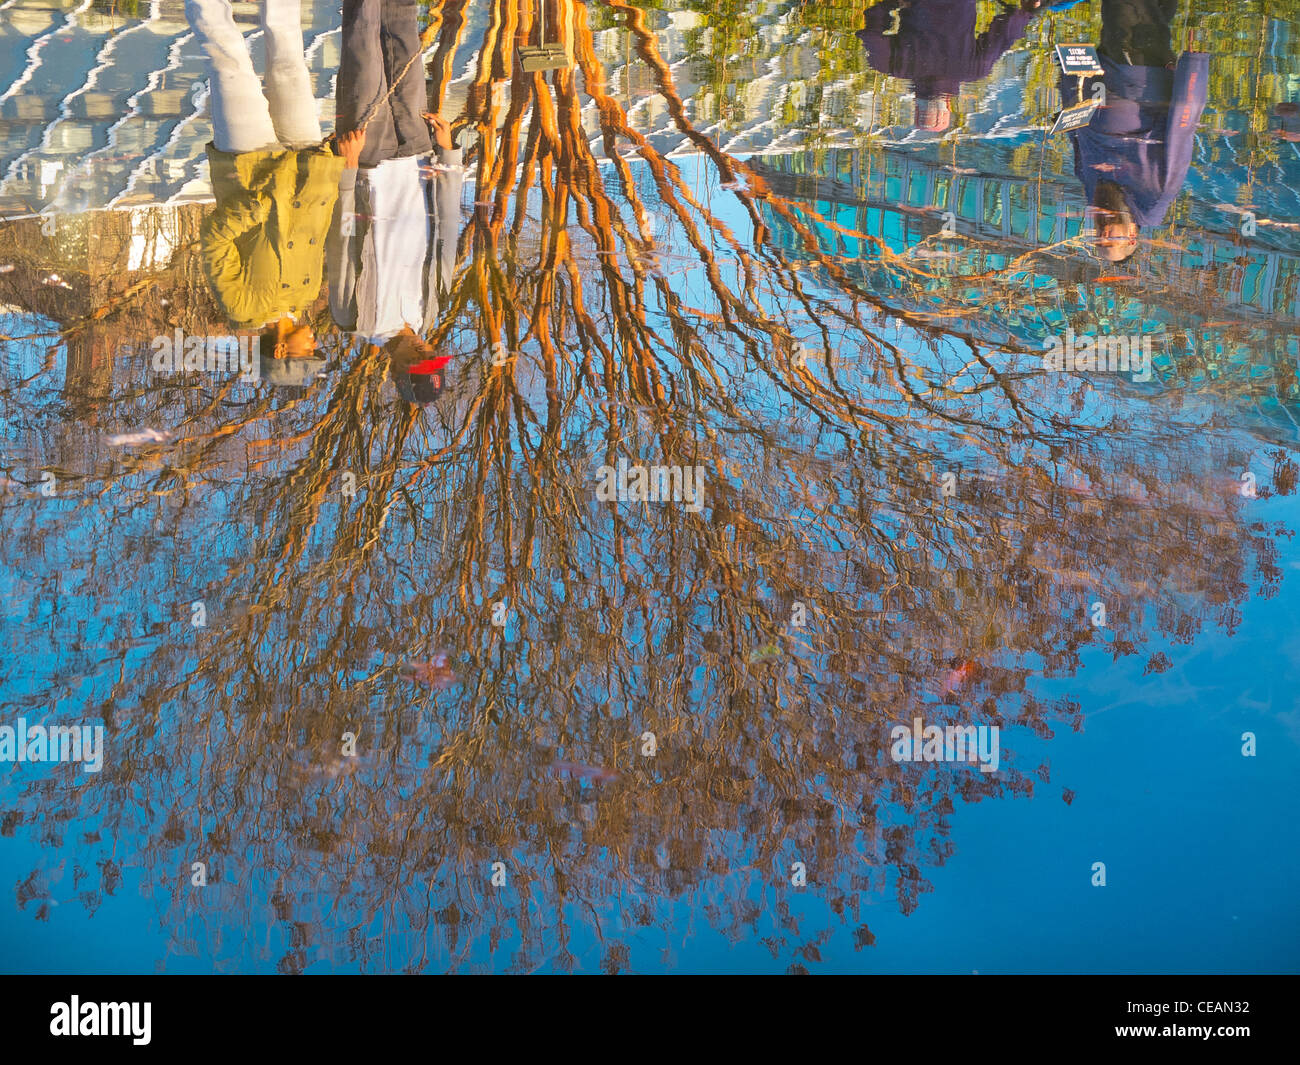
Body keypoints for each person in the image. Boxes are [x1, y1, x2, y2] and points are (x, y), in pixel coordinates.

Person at [186, 0, 356, 371]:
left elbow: (215, 238)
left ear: (280, 352)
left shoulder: (241, 307)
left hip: (249, 166)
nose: (316, 342)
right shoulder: (308, 296)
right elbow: (323, 226)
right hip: (308, 165)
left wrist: (261, 206)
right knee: (291, 61)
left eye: (308, 352)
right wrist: (336, 169)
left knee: (229, 63)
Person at [327, 0, 464, 406]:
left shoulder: (355, 318)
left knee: (363, 46)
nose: (425, 351)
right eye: (432, 357)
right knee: (404, 37)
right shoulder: (431, 309)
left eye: (418, 361)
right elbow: (447, 230)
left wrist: (348, 169)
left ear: (397, 368)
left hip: (370, 162)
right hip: (419, 155)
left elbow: (343, 242)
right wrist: (448, 154)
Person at [1063, 0, 1209, 262]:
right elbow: (1181, 134)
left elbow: (1077, 138)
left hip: (1103, 70)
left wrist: (1071, 73)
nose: (1103, 233)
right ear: (1131, 237)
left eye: (1098, 239)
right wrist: (1194, 69)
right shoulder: (1153, 198)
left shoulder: (1096, 199)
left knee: (1151, 11)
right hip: (1139, 72)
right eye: (1111, 240)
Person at [856, 0, 1043, 133]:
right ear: (915, 102)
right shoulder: (892, 66)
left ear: (948, 105)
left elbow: (1006, 30)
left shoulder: (975, 69)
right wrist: (892, 4)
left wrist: (1027, 13)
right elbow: (871, 32)